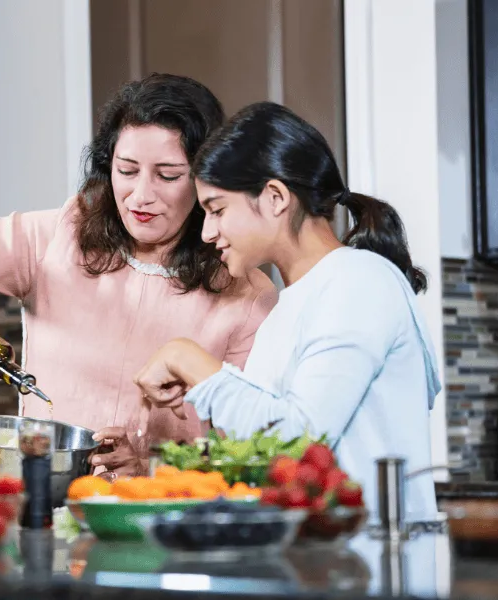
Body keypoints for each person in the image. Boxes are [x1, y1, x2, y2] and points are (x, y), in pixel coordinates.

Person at [0, 74, 277, 477]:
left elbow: (248, 454)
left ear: (204, 180)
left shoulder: (245, 295)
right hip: (44, 507)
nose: (141, 196)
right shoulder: (62, 234)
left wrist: (149, 467)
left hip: (160, 518)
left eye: (168, 175)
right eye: (127, 170)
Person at [134, 101, 440, 519]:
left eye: (217, 209)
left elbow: (298, 440)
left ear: (276, 197)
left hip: (371, 570)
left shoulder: (358, 281)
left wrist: (186, 356)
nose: (207, 232)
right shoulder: (293, 302)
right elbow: (274, 453)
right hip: (324, 565)